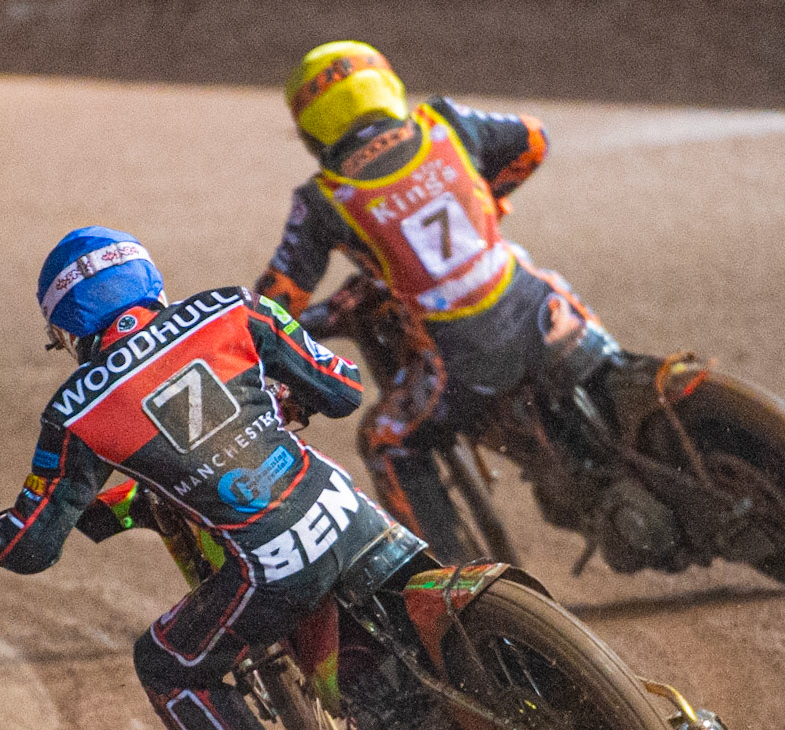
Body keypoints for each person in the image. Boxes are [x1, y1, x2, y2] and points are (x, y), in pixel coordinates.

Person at [0, 226, 398, 730]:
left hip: (273, 566)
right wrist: (276, 397)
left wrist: (4, 532)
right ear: (147, 280)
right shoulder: (235, 306)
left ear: (68, 328)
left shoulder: (74, 411)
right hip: (352, 510)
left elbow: (30, 548)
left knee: (165, 663)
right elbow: (343, 390)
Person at [255, 40, 621, 561]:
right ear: (384, 85)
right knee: (584, 330)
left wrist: (243, 335)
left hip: (467, 364)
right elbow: (533, 139)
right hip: (548, 312)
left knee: (385, 438)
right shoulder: (444, 122)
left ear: (312, 128)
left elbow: (280, 297)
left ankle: (448, 579)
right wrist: (479, 197)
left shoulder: (325, 197)